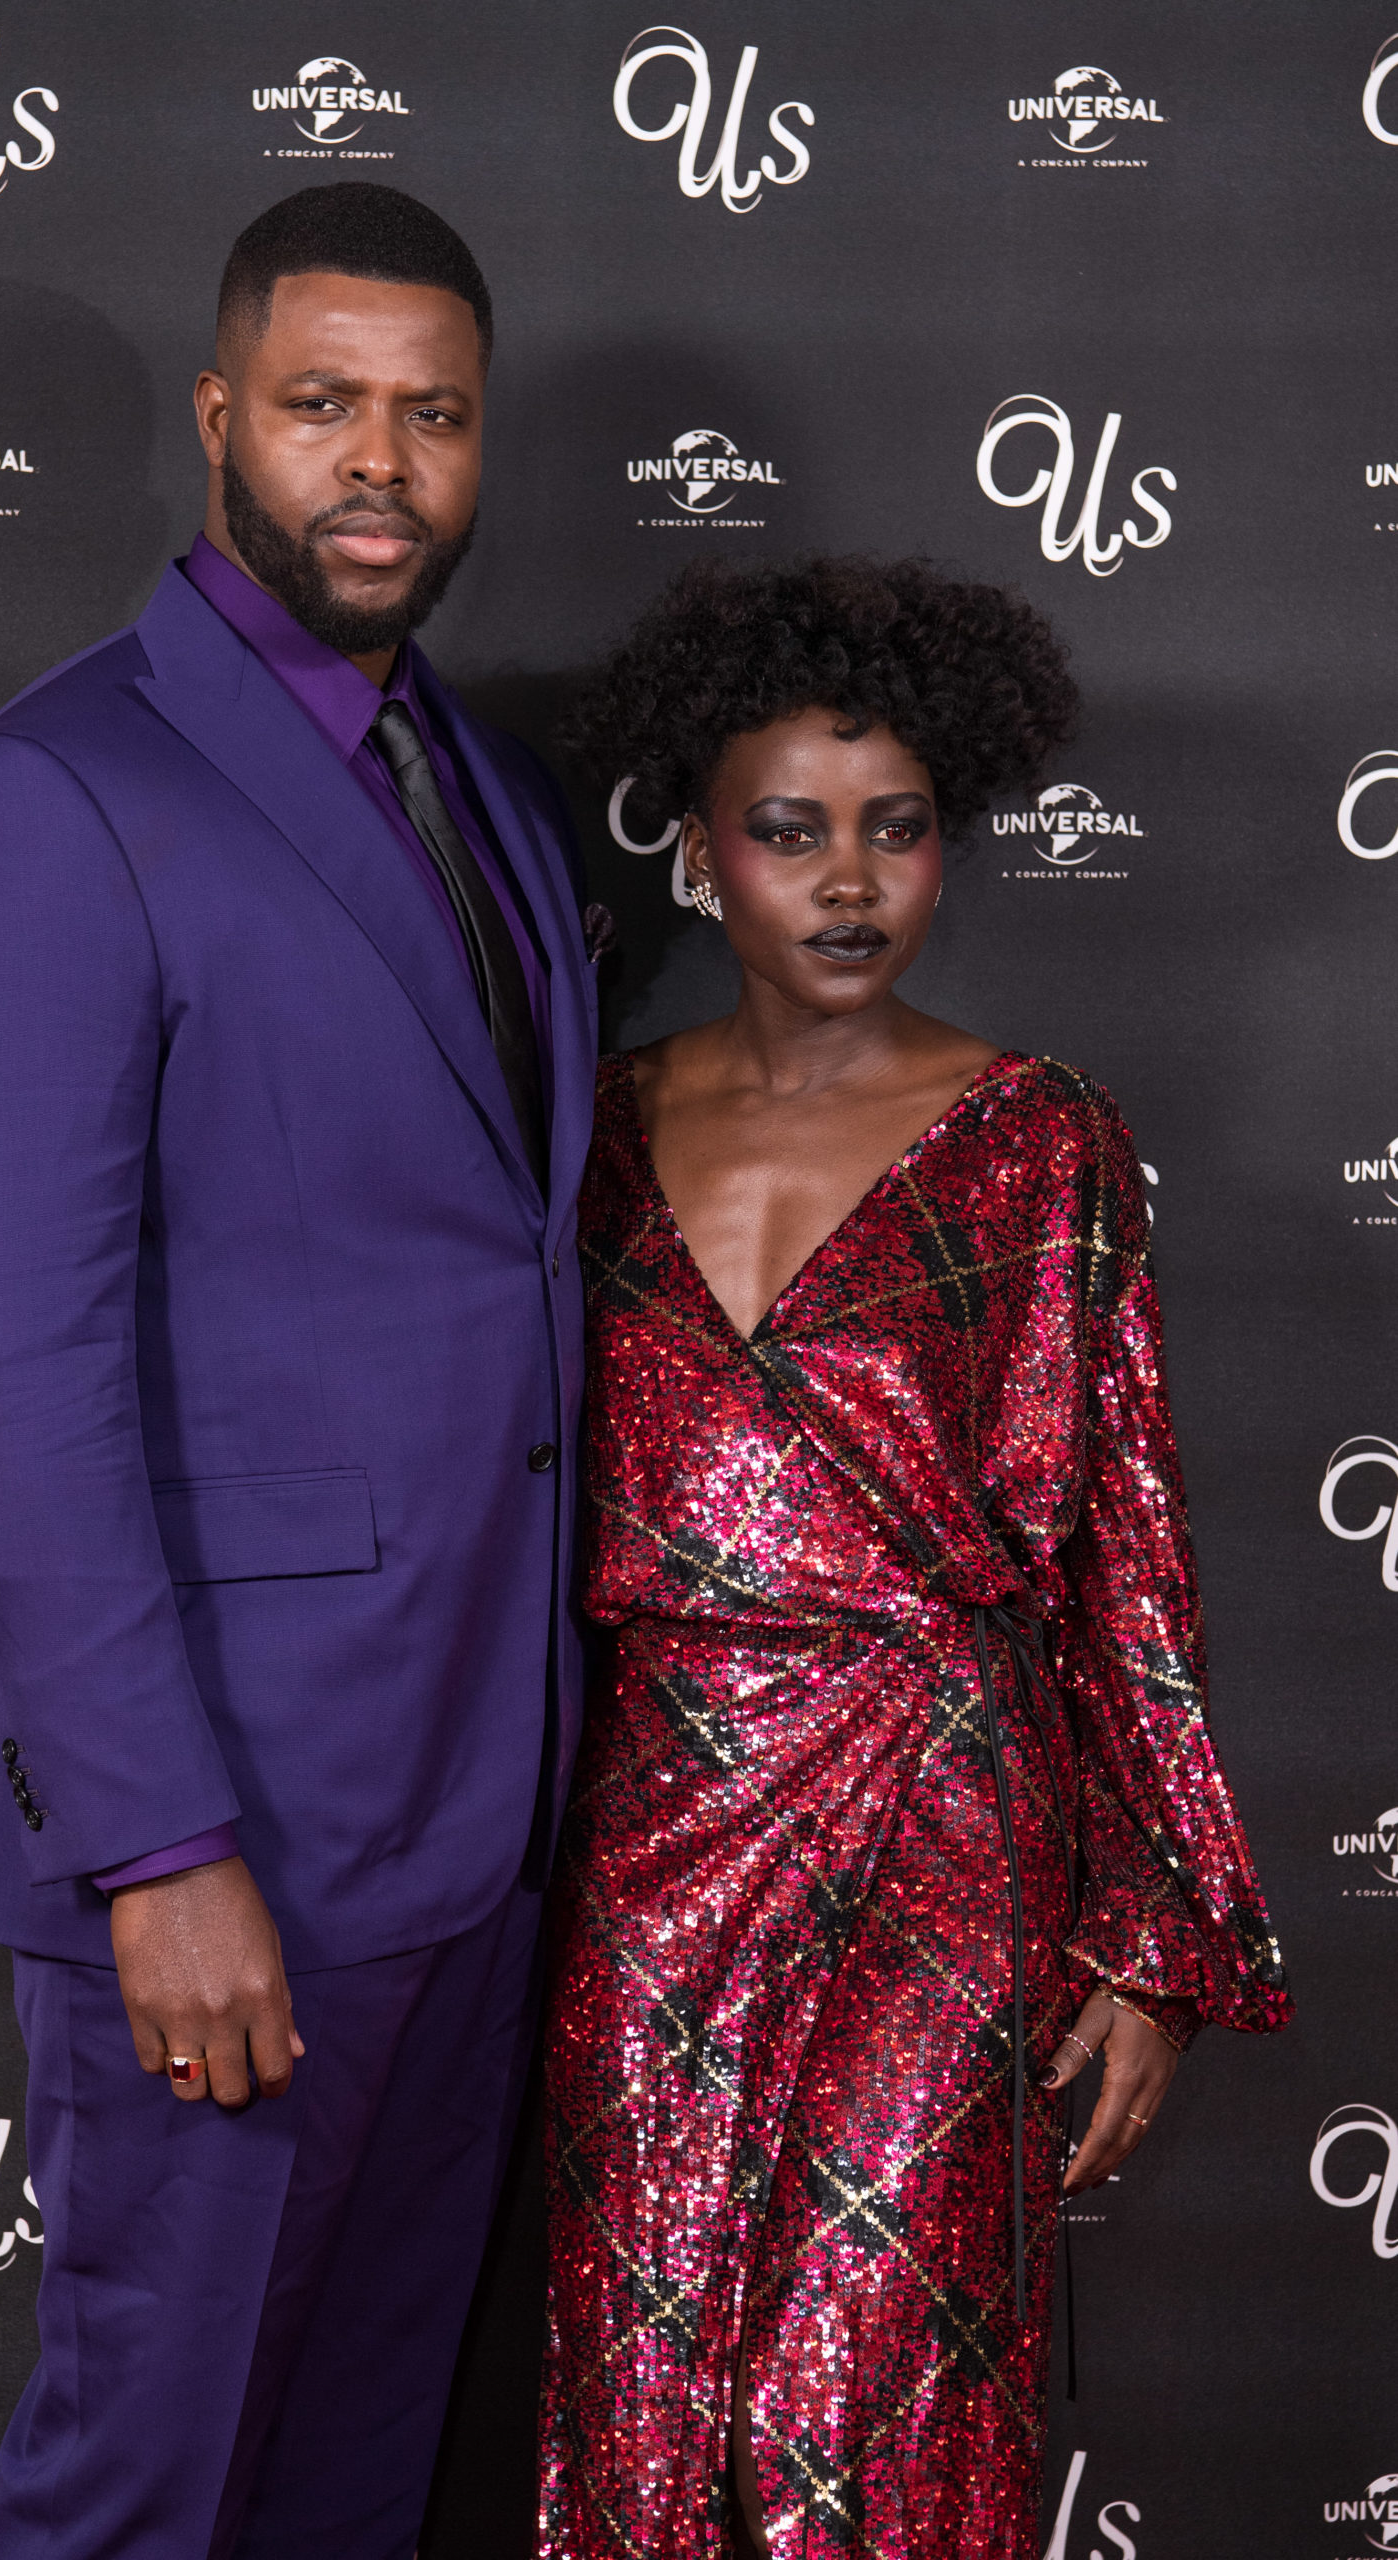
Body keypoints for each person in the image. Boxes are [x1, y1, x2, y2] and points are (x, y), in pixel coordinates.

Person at [0, 183, 598, 2560]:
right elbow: (19, 1374)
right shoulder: (52, 797)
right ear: (219, 418)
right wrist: (160, 1848)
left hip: (475, 1818)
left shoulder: (479, 784)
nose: (378, 462)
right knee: (148, 2493)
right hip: (234, 1840)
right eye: (321, 405)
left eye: (431, 415)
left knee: (348, 2489)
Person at [538, 558, 1291, 2559]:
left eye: (897, 827)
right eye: (789, 830)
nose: (850, 879)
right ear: (699, 851)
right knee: (636, 2381)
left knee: (857, 2401)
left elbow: (1126, 1552)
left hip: (940, 1826)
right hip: (654, 1835)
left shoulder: (1039, 1137)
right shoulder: (583, 1137)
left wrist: (1150, 1933)